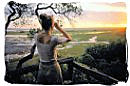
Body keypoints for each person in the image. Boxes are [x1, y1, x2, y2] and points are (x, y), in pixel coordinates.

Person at [34, 14, 72, 84]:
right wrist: (58, 28)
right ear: (52, 26)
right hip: (53, 67)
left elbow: (43, 33)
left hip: (42, 66)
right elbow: (69, 38)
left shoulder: (36, 36)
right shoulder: (54, 39)